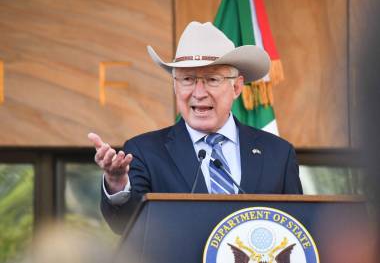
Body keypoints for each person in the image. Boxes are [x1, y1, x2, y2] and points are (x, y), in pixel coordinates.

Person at [88, 22, 303, 234]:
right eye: (188, 79)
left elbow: (297, 230)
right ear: (174, 85)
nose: (199, 93)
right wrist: (116, 183)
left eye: (212, 79)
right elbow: (126, 227)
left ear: (236, 87)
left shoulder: (279, 154)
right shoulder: (143, 151)